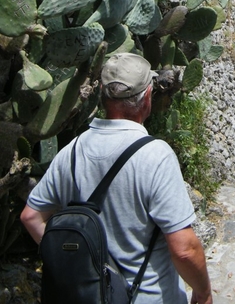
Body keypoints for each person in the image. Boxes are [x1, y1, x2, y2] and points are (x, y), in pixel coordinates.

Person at [20, 52, 213, 304]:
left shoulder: (72, 151)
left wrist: (73, 263)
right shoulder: (156, 155)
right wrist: (203, 292)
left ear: (102, 94)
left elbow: (30, 216)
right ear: (147, 97)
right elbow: (185, 250)